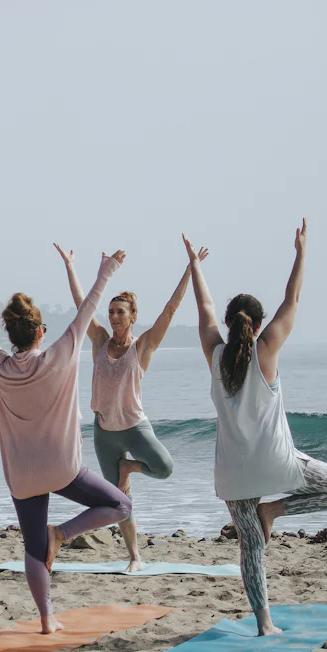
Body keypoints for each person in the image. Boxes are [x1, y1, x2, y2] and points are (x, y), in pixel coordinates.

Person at [0, 250, 132, 635]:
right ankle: (62, 533)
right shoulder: (59, 355)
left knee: (32, 549)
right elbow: (89, 309)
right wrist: (107, 270)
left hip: (23, 476)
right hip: (63, 468)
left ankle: (47, 621)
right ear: (41, 331)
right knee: (121, 505)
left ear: (12, 336)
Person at [184, 221, 327, 635]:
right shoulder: (267, 350)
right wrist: (300, 253)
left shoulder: (215, 354)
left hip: (234, 473)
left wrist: (195, 266)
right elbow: (292, 299)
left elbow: (204, 310)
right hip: (277, 464)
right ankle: (276, 508)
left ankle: (264, 624)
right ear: (258, 325)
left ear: (228, 325)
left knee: (251, 548)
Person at [53, 242, 208, 572]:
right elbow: (84, 305)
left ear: (133, 316)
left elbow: (170, 310)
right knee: (121, 503)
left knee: (164, 468)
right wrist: (70, 266)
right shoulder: (98, 340)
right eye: (110, 311)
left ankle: (129, 468)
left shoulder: (144, 346)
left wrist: (189, 269)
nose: (113, 316)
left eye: (120, 311)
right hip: (104, 433)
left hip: (135, 428)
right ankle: (135, 557)